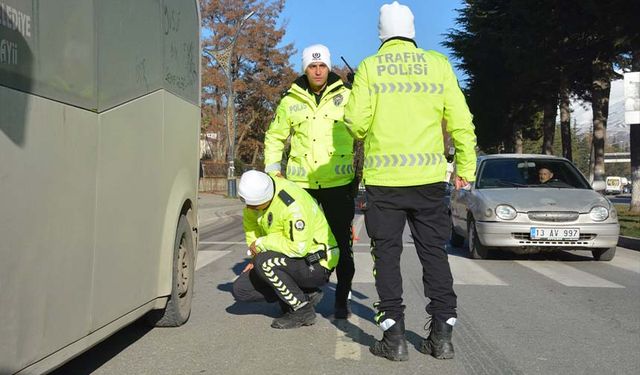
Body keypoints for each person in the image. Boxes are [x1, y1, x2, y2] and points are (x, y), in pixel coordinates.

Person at [343, 1, 477, 361]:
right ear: (412, 29)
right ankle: (442, 337)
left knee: (386, 256)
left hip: (385, 183)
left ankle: (394, 337)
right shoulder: (438, 65)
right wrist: (465, 165)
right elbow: (462, 121)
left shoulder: (371, 68)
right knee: (434, 254)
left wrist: (357, 91)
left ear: (381, 32)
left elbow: (355, 124)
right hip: (430, 181)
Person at [263, 44, 356, 319]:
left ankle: (342, 299)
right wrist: (273, 172)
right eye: (312, 67)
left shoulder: (348, 96)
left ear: (330, 68)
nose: (317, 71)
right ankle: (298, 299)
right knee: (298, 243)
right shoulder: (290, 100)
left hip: (338, 184)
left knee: (341, 245)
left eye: (322, 66)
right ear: (305, 69)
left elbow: (367, 127)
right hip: (300, 187)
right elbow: (275, 136)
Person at [231, 170, 339, 329]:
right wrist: (254, 258)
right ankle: (305, 294)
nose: (249, 208)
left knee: (265, 263)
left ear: (266, 198)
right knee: (241, 289)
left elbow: (298, 248)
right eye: (248, 204)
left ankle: (302, 310)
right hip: (287, 258)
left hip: (316, 262)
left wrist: (262, 245)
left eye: (254, 206)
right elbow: (252, 231)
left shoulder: (293, 204)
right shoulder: (254, 202)